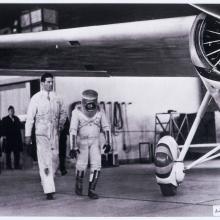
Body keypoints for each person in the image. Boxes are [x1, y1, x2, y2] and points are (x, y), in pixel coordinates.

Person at [25, 73, 67, 200]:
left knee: (55, 159)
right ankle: (49, 190)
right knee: (45, 161)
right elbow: (30, 118)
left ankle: (46, 180)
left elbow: (63, 112)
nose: (50, 84)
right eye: (48, 82)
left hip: (54, 133)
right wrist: (27, 135)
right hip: (41, 133)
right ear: (42, 83)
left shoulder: (57, 97)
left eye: (51, 82)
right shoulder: (36, 98)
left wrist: (60, 124)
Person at [69, 89, 111, 199]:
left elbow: (106, 127)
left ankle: (91, 190)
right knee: (81, 165)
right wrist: (73, 147)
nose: (91, 106)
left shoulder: (100, 111)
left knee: (97, 165)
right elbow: (72, 130)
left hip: (95, 141)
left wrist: (108, 143)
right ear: (83, 102)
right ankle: (78, 187)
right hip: (82, 142)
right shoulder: (76, 112)